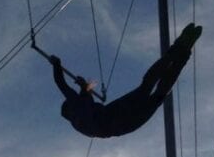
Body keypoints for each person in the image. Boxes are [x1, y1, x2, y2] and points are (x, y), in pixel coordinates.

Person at [51, 23, 202, 138]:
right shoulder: (77, 109)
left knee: (158, 94)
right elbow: (62, 85)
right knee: (147, 85)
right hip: (116, 115)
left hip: (126, 125)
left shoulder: (81, 118)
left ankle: (183, 52)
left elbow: (86, 95)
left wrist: (84, 86)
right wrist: (57, 65)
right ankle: (178, 49)